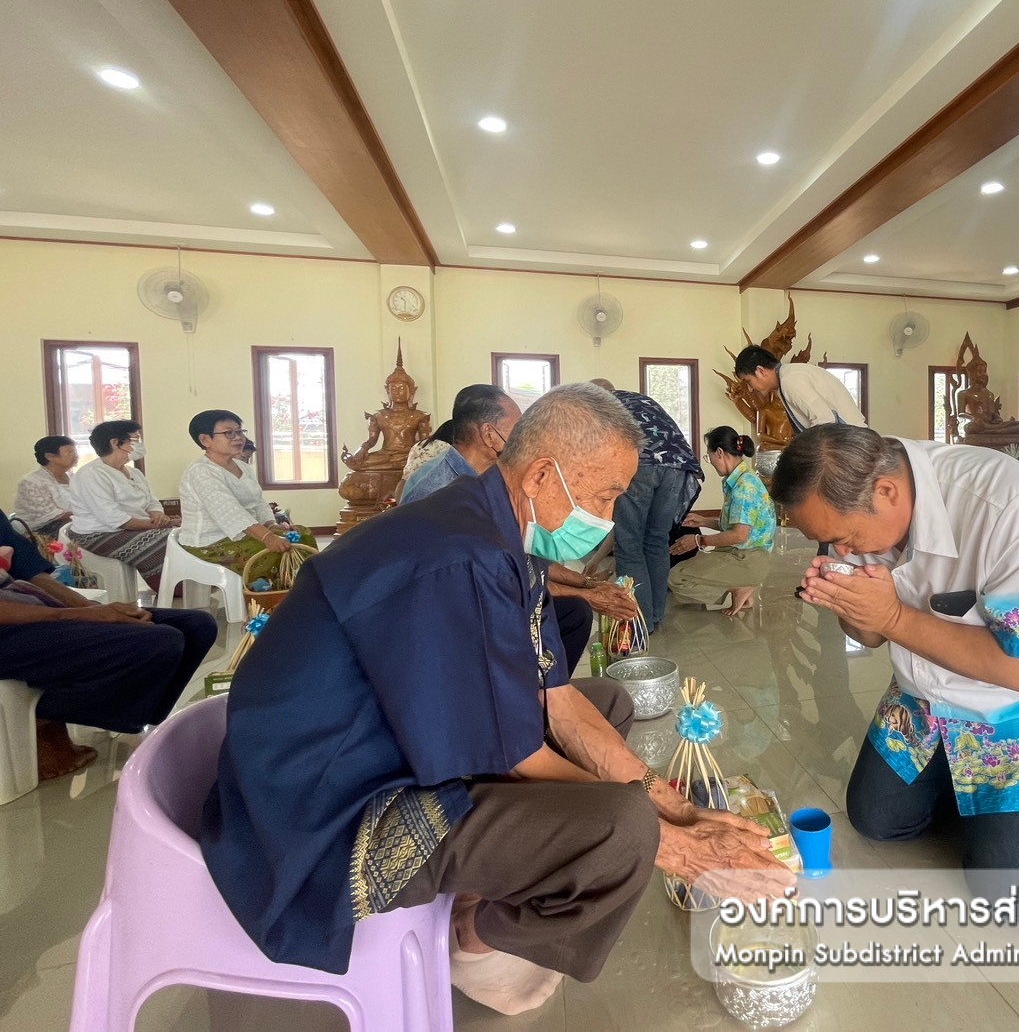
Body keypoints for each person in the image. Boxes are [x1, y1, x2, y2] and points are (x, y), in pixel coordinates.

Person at [201, 385, 788, 1015]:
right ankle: (474, 941)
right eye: (605, 495)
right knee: (619, 831)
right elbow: (517, 754)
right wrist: (678, 847)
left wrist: (670, 802)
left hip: (372, 741)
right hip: (321, 806)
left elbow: (557, 701)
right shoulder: (458, 556)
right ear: (541, 473)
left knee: (608, 706)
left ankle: (500, 882)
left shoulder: (499, 530)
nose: (610, 517)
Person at [771, 425, 1019, 899]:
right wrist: (851, 606)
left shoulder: (1006, 503)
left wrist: (890, 616)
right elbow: (867, 635)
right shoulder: (853, 510)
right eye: (827, 542)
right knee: (877, 821)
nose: (839, 551)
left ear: (886, 491)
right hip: (927, 695)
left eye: (843, 538)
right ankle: (980, 788)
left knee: (1013, 896)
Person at [400, 383, 638, 663]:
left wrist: (585, 584)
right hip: (447, 623)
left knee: (567, 613)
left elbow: (529, 558)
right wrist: (588, 594)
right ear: (489, 435)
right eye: (517, 430)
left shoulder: (492, 483)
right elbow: (499, 579)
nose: (526, 440)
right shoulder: (443, 493)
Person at [0, 514, 216, 780]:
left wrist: (96, 609)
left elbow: (29, 570)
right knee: (158, 642)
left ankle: (126, 716)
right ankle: (36, 718)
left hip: (27, 607)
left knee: (196, 626)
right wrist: (82, 617)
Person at [591, 379, 703, 630]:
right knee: (656, 541)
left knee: (629, 546)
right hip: (677, 466)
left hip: (639, 464)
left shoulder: (599, 406)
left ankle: (638, 621)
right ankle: (655, 616)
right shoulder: (641, 399)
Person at [178, 410, 317, 574]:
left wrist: (271, 525)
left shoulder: (243, 467)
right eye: (229, 433)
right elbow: (230, 512)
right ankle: (272, 598)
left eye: (239, 431)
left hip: (244, 536)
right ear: (205, 440)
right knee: (272, 553)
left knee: (303, 535)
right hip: (210, 543)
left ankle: (308, 593)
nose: (238, 438)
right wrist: (267, 537)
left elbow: (259, 503)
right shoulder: (201, 471)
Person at [668, 427, 776, 617]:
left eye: (709, 458)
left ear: (719, 452)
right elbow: (738, 526)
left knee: (677, 578)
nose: (711, 463)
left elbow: (739, 536)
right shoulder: (740, 479)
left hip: (748, 558)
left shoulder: (744, 487)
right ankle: (739, 584)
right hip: (742, 553)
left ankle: (740, 586)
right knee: (687, 569)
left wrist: (697, 541)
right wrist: (705, 521)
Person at [68, 420, 179, 591]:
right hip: (99, 534)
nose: (139, 445)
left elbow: (151, 500)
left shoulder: (133, 472)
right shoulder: (91, 475)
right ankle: (173, 588)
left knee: (180, 535)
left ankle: (188, 585)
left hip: (134, 527)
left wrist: (158, 515)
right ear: (114, 443)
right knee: (165, 540)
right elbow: (113, 518)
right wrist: (156, 525)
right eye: (134, 440)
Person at [732, 345, 867, 432]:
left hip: (851, 444)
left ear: (760, 371)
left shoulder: (790, 380)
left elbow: (825, 420)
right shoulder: (785, 379)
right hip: (846, 441)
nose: (749, 389)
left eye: (748, 381)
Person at [13, 435, 77, 546]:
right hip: (43, 531)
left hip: (71, 522)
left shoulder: (73, 477)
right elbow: (53, 515)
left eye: (75, 451)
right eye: (70, 452)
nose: (76, 455)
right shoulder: (32, 482)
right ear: (50, 456)